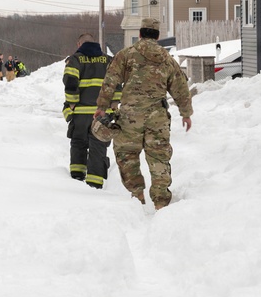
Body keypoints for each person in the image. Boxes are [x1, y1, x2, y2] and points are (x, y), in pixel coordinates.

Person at [94, 18, 192, 210]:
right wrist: (186, 113)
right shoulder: (167, 58)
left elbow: (110, 81)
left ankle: (136, 195)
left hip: (130, 116)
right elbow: (181, 88)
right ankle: (161, 202)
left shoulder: (126, 55)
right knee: (159, 157)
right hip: (158, 117)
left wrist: (102, 106)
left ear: (140, 34)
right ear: (157, 36)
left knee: (127, 155)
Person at [63, 33, 120, 189]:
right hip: (102, 114)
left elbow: (70, 82)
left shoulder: (75, 60)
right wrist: (115, 103)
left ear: (79, 44)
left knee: (78, 144)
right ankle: (95, 184)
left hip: (81, 113)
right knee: (98, 147)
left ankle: (76, 179)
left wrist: (72, 103)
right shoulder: (108, 60)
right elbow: (117, 82)